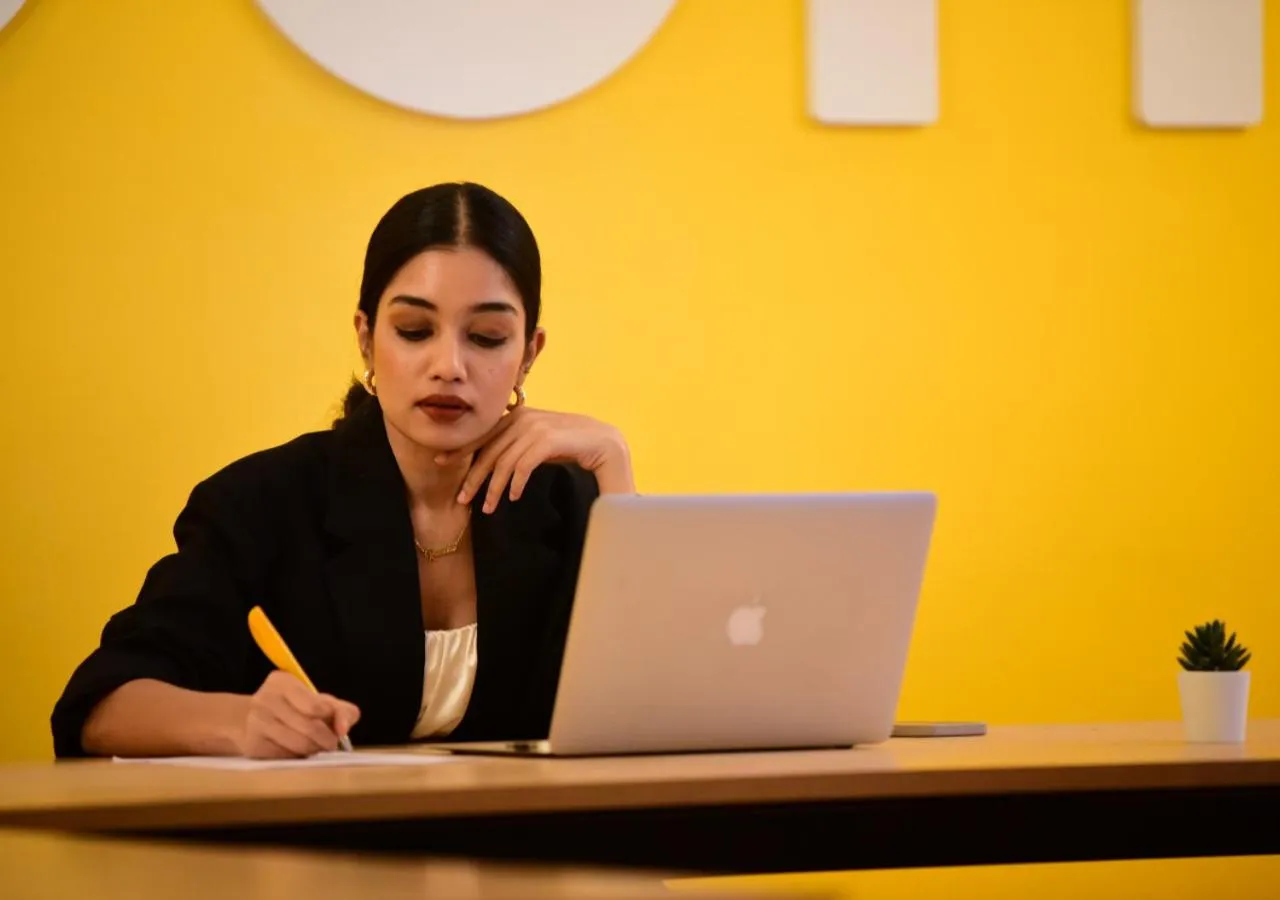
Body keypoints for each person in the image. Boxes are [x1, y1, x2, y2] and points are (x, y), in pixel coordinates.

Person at [50, 182, 636, 759]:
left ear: (528, 354)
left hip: (523, 849)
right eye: (414, 331)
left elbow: (646, 716)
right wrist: (239, 721)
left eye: (486, 337)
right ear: (366, 338)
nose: (449, 366)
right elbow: (100, 706)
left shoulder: (569, 502)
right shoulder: (260, 501)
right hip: (313, 847)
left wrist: (615, 464)